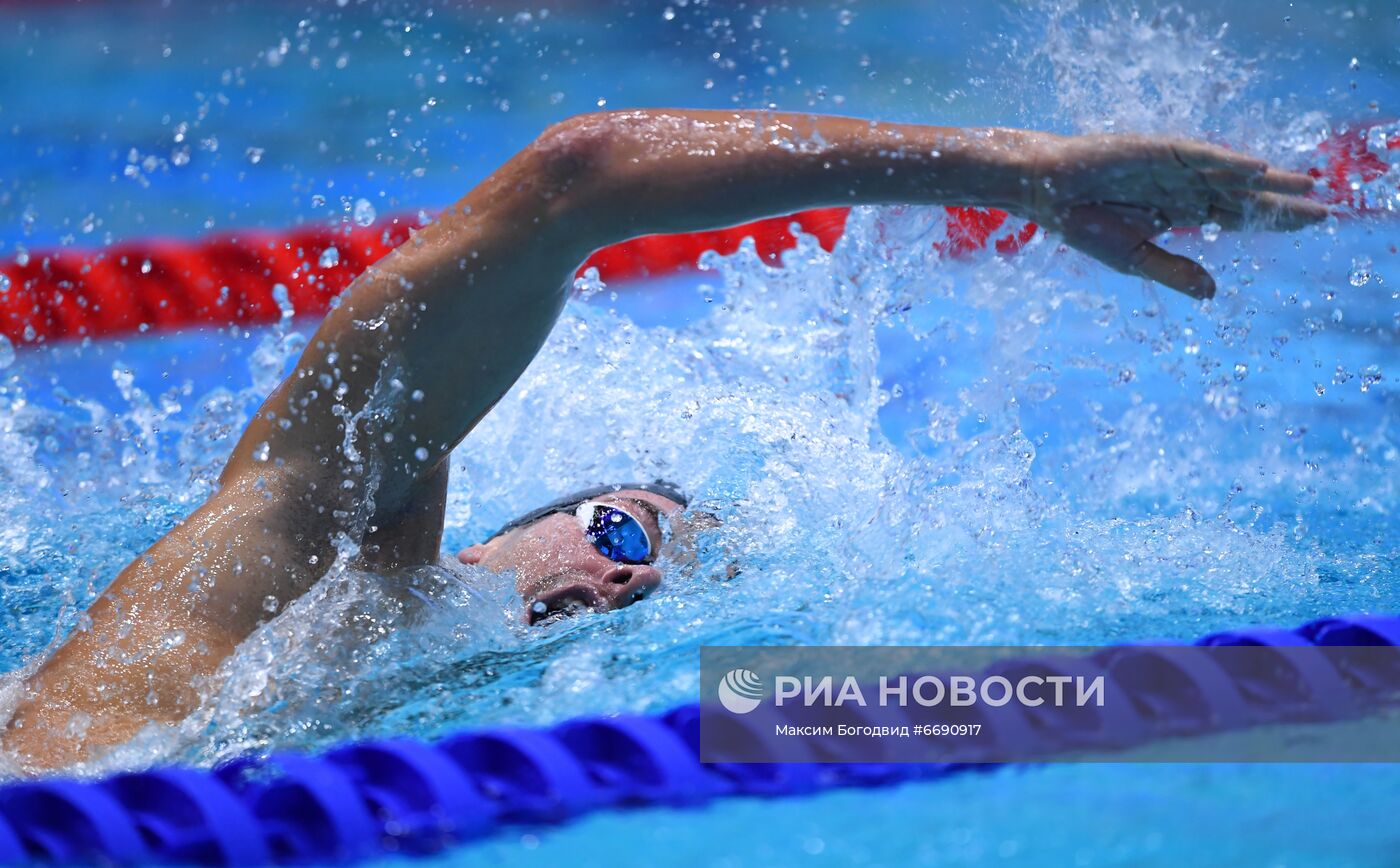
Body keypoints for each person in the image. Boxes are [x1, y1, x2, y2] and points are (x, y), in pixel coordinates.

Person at [1, 109, 1326, 769]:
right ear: (514, 521)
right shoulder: (321, 530)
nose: (633, 577)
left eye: (652, 588)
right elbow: (582, 174)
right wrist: (1014, 173)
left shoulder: (379, 721)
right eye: (629, 530)